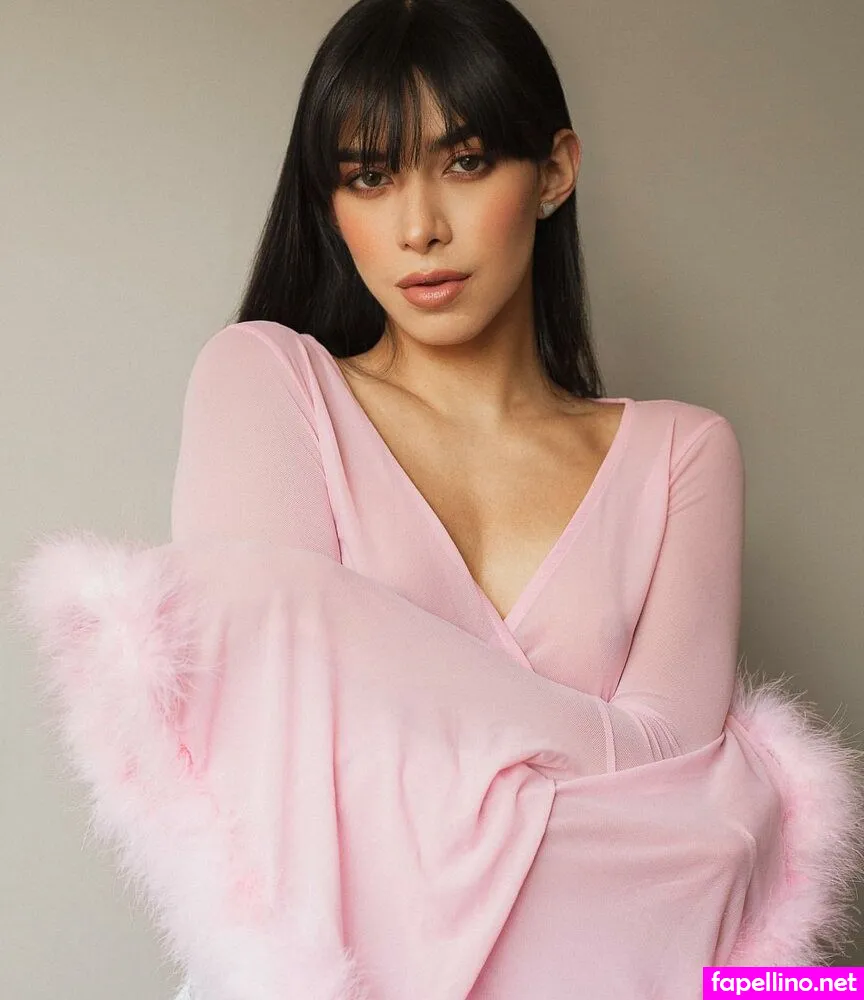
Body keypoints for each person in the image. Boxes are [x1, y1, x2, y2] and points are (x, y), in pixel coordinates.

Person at [11, 1, 863, 997]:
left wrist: (322, 629)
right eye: (369, 177)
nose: (419, 227)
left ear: (554, 171)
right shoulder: (268, 383)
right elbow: (274, 792)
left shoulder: (683, 454)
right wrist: (596, 778)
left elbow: (699, 847)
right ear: (331, 204)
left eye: (465, 162)